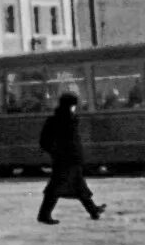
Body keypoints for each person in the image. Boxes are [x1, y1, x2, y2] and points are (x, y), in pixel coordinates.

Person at [37, 93, 105, 225]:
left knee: (78, 185)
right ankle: (44, 215)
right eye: (74, 105)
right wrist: (55, 152)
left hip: (71, 159)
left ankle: (93, 210)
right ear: (70, 105)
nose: (75, 108)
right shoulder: (58, 120)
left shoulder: (68, 119)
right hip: (64, 160)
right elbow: (45, 141)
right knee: (56, 188)